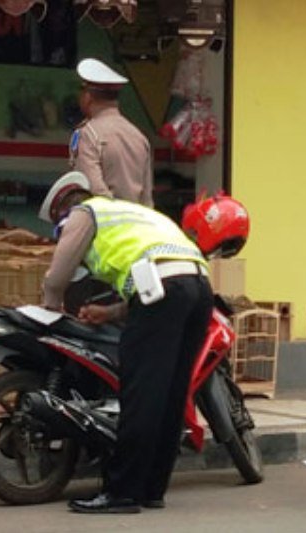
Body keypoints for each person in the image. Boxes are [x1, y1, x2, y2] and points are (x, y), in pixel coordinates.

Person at [39, 171, 221, 513]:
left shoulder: (85, 213)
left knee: (141, 393)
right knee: (169, 394)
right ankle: (151, 489)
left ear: (64, 209)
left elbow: (60, 271)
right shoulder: (132, 214)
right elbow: (161, 279)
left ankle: (121, 492)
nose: (61, 235)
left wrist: (49, 306)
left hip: (165, 291)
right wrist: (108, 313)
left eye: (57, 229)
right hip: (197, 290)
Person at [70, 58, 153, 206]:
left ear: (88, 97)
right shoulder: (138, 136)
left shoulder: (88, 134)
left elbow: (92, 189)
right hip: (136, 222)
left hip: (104, 223)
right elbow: (146, 197)